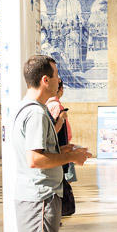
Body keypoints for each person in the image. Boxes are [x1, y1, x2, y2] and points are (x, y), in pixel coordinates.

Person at [13, 55, 91, 232]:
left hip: (35, 194)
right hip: (40, 196)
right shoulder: (36, 114)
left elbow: (35, 151)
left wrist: (62, 151)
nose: (59, 80)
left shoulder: (29, 107)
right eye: (56, 75)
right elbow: (35, 159)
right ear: (45, 80)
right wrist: (72, 157)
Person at [46, 78, 75, 216]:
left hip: (60, 149)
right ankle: (61, 209)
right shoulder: (56, 106)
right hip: (59, 149)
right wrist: (62, 119)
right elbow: (53, 131)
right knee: (60, 181)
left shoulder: (48, 105)